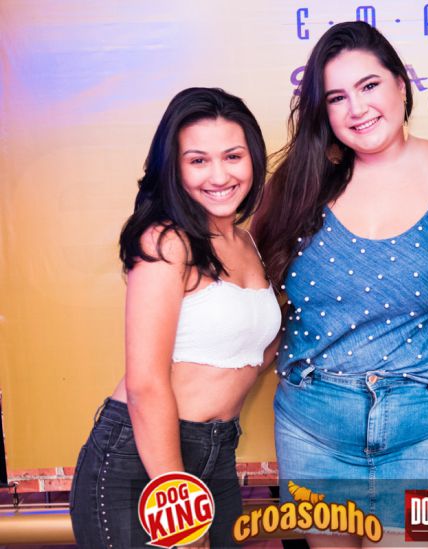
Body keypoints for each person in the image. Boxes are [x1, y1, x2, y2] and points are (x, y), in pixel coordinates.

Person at [252, 21, 428, 546]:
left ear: (401, 84)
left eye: (369, 85)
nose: (357, 108)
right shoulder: (296, 185)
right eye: (337, 97)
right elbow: (250, 297)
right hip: (313, 430)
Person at [69, 87, 281, 548]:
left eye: (233, 156)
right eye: (198, 160)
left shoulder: (246, 242)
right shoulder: (167, 242)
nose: (220, 175)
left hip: (217, 453)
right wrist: (177, 508)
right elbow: (145, 383)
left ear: (253, 159)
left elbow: (249, 352)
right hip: (142, 459)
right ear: (174, 168)